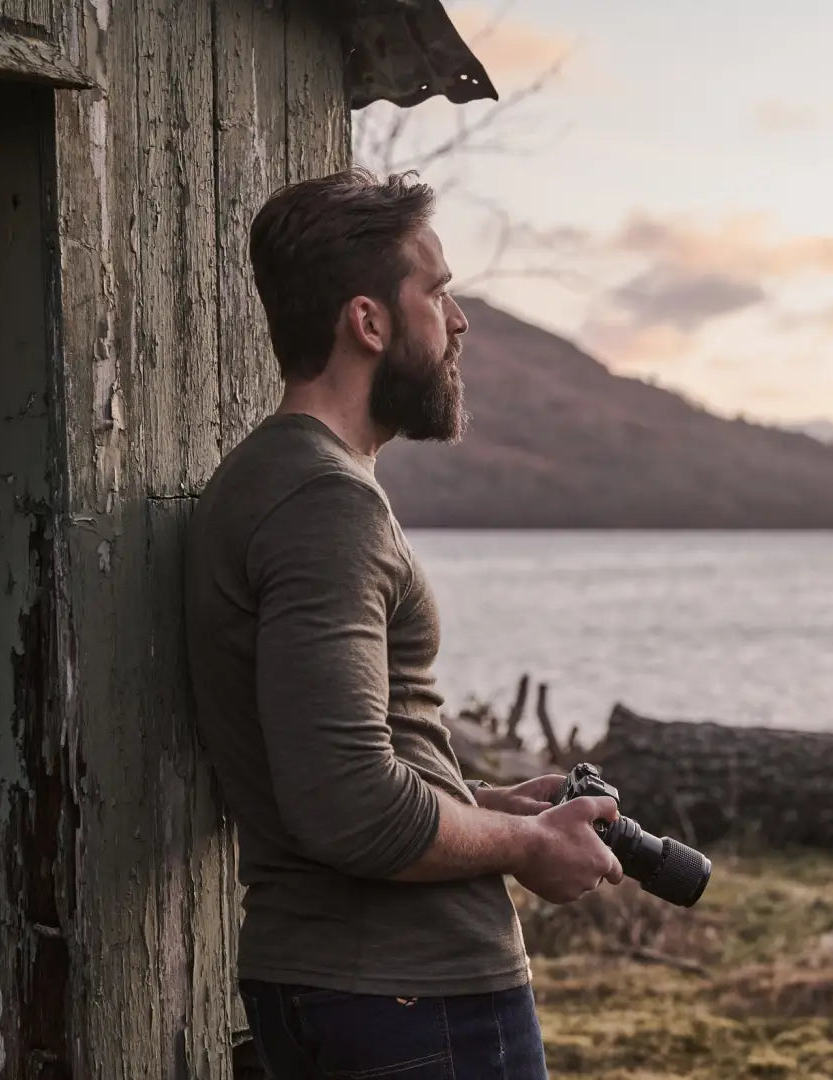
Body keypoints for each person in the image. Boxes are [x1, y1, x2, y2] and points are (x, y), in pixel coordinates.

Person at [185, 167, 623, 1080]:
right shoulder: (322, 503)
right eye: (439, 290)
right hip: (408, 998)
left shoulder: (274, 482)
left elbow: (332, 759)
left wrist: (480, 808)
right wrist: (530, 847)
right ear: (369, 321)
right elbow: (349, 801)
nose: (458, 322)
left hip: (354, 989)